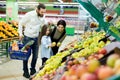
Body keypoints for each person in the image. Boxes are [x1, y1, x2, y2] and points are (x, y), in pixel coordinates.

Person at [18, 3, 48, 78]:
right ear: (37, 10)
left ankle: (33, 70)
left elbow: (44, 24)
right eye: (42, 12)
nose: (43, 14)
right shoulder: (29, 15)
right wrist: (20, 33)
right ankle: (25, 71)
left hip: (36, 38)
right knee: (25, 56)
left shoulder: (42, 16)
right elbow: (20, 23)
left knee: (35, 56)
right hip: (27, 38)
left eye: (44, 12)